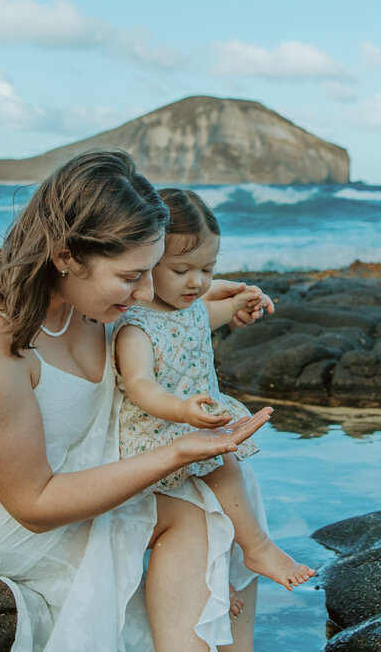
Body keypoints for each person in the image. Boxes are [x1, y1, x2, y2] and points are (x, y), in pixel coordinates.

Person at [0, 150, 272, 652]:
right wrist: (173, 452)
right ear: (66, 254)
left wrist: (216, 300)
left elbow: (167, 313)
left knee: (227, 487)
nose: (145, 294)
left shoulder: (88, 289)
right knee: (188, 514)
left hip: (68, 461)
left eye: (152, 270)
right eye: (132, 276)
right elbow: (33, 505)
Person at [114, 188, 314, 592]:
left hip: (192, 420)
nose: (197, 281)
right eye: (182, 270)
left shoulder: (189, 307)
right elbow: (139, 385)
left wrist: (247, 302)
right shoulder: (136, 326)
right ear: (147, 262)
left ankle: (215, 583)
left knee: (215, 492)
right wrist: (182, 410)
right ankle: (257, 548)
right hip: (156, 432)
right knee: (225, 465)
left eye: (208, 269)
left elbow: (215, 315)